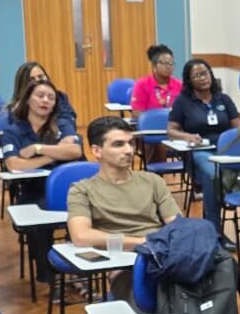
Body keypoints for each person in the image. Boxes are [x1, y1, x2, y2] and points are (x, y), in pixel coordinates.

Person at [67, 116, 180, 299]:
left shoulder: (152, 181)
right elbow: (81, 236)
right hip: (123, 260)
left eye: (131, 143)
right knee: (153, 292)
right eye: (118, 144)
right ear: (97, 151)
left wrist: (157, 245)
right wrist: (141, 242)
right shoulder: (82, 189)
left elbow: (177, 225)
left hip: (160, 255)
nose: (129, 151)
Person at [1, 79, 84, 294]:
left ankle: (79, 272)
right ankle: (52, 277)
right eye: (40, 95)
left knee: (87, 214)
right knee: (38, 222)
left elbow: (74, 152)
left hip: (67, 190)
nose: (45, 101)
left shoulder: (62, 125)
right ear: (28, 99)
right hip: (32, 189)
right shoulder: (13, 130)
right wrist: (54, 153)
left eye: (51, 97)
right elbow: (14, 165)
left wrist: (38, 149)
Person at [169, 58, 240, 233]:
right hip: (200, 151)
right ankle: (215, 231)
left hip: (225, 150)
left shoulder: (223, 99)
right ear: (189, 80)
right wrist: (187, 136)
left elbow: (238, 130)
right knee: (212, 176)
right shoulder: (183, 102)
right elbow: (171, 131)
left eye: (205, 73)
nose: (203, 78)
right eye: (197, 75)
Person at [8, 61, 78, 130]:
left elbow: (68, 119)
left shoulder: (60, 97)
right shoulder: (14, 109)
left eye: (41, 77)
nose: (38, 81)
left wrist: (67, 136)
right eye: (31, 79)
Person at [129, 44, 182, 120]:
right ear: (154, 66)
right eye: (164, 63)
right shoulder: (142, 85)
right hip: (150, 128)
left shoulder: (180, 85)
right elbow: (137, 113)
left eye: (171, 63)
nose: (168, 66)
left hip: (175, 128)